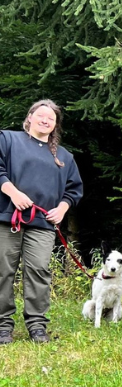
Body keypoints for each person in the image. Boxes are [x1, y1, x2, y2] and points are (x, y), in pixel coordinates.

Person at [0, 100, 83, 344]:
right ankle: (3, 326)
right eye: (41, 115)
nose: (45, 120)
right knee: (3, 272)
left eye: (51, 118)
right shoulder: (8, 139)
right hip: (8, 218)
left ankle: (37, 325)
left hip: (43, 224)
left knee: (38, 271)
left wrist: (62, 209)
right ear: (30, 117)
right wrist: (13, 192)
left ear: (55, 125)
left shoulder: (64, 156)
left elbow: (74, 189)